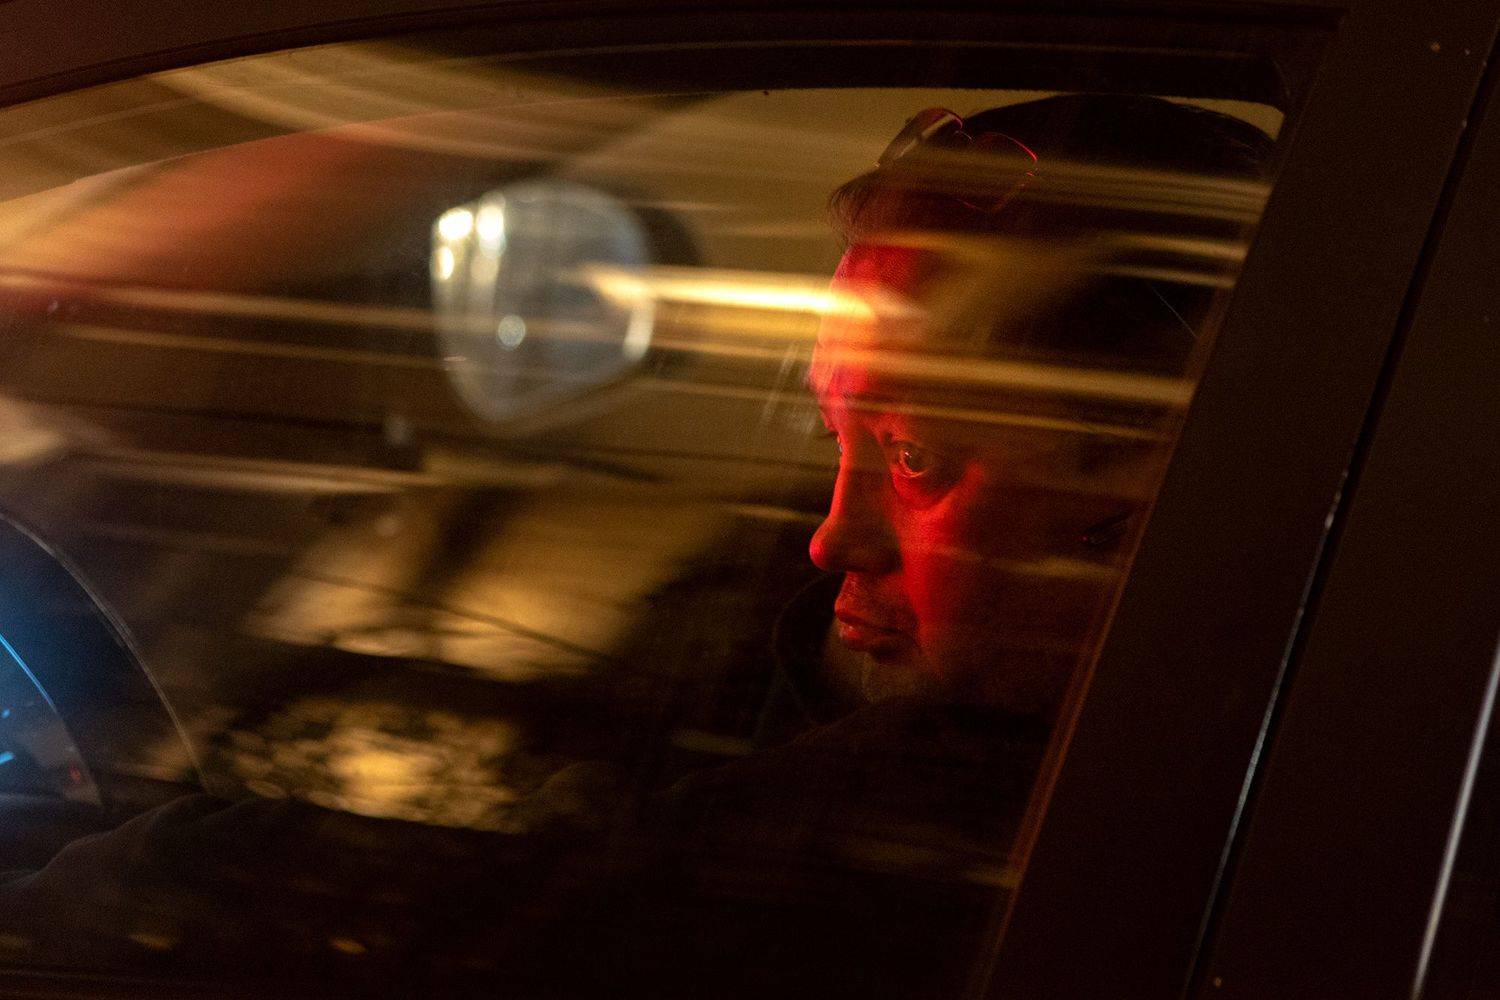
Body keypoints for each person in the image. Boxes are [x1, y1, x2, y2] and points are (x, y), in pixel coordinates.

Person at [0, 93, 1273, 998]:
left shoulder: (1040, 819)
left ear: (1159, 479)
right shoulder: (784, 646)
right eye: (834, 435)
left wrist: (133, 887)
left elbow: (531, 913)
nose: (834, 534)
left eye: (916, 456)